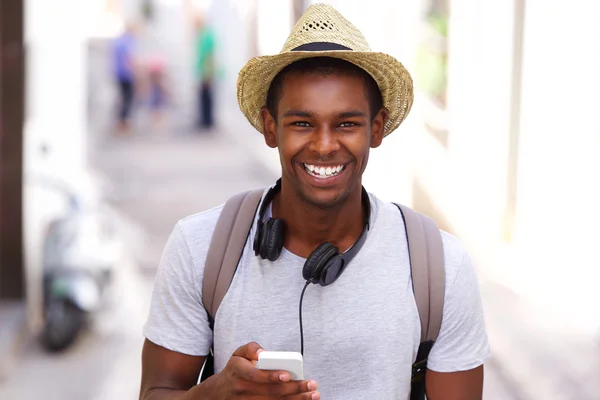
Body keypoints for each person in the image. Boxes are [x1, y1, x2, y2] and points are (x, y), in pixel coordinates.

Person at [139, 4, 490, 400]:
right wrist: (217, 394)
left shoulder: (441, 267)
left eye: (347, 123)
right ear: (271, 128)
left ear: (376, 129)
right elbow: (156, 392)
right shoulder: (198, 247)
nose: (324, 145)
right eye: (302, 123)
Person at [112, 22, 138, 134]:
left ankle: (121, 122)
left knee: (123, 98)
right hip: (127, 74)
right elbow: (129, 58)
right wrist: (134, 72)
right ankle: (124, 123)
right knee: (127, 99)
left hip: (118, 73)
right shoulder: (128, 41)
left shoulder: (118, 41)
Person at [193, 13, 216, 131]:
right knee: (203, 97)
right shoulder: (201, 35)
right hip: (203, 71)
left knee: (207, 97)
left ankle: (208, 121)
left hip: (207, 72)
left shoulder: (206, 36)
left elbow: (209, 56)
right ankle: (205, 120)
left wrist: (208, 74)